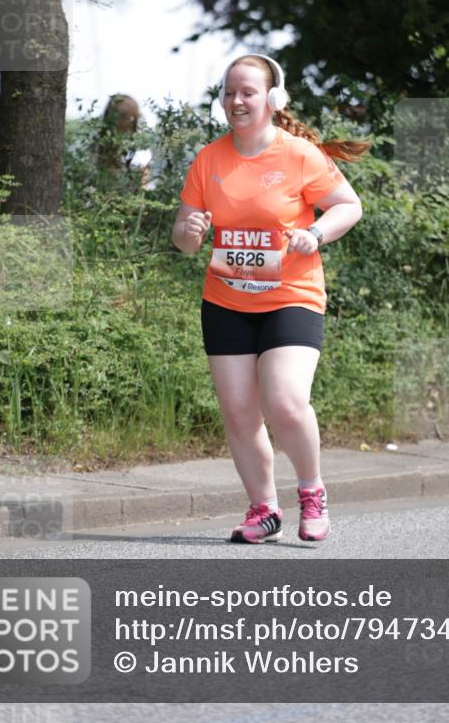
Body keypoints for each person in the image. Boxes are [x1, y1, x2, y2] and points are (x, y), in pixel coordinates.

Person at [172, 54, 368, 543]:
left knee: (283, 399)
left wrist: (317, 233)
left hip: (291, 296)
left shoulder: (299, 155)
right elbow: (184, 236)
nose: (237, 101)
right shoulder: (208, 159)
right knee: (239, 411)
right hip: (226, 300)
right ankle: (264, 510)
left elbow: (349, 205)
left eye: (248, 92)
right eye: (230, 92)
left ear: (272, 100)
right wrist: (189, 230)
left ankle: (311, 491)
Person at [92, 94, 153, 188]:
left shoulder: (140, 152)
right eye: (125, 118)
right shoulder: (97, 148)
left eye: (132, 118)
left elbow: (144, 186)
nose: (130, 122)